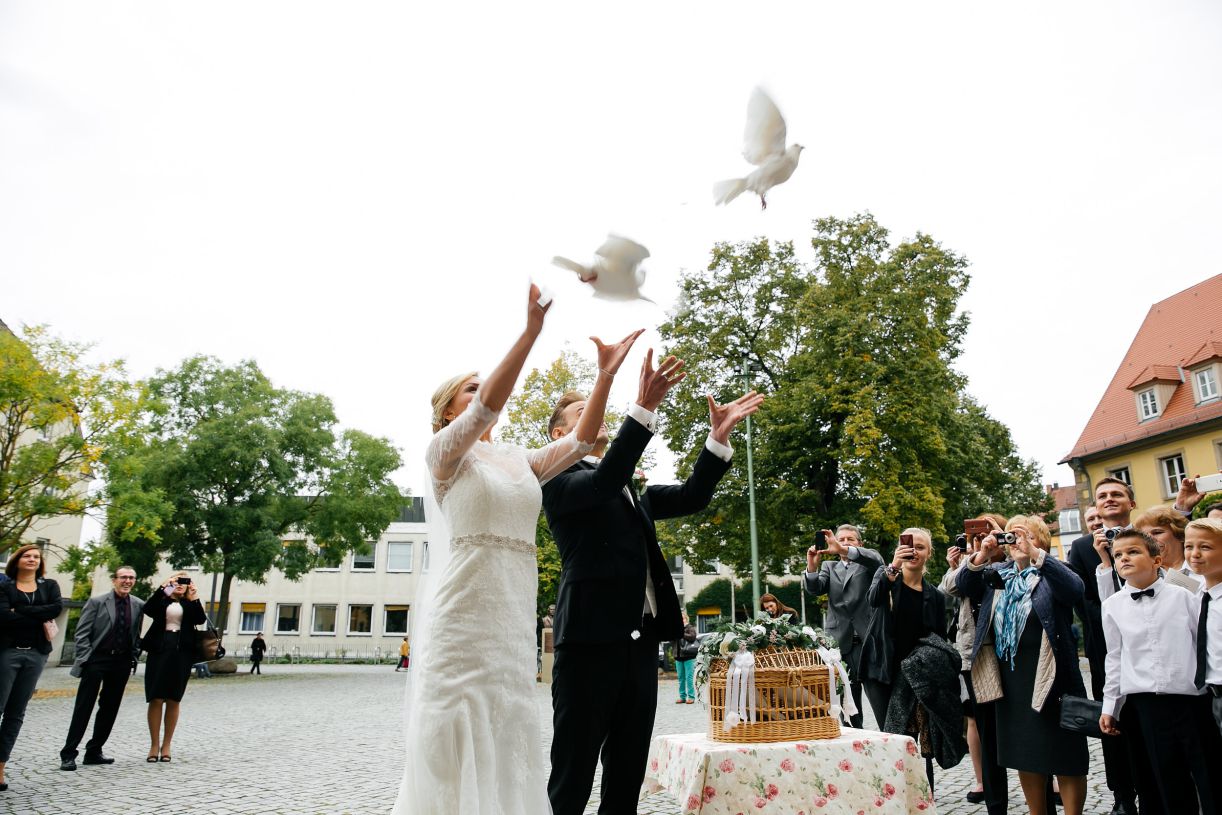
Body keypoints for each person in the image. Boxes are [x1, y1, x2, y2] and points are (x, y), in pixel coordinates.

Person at [393, 284, 640, 815]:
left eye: (480, 386)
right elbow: (488, 407)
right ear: (447, 412)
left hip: (510, 618)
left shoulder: (519, 460)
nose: (482, 393)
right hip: (462, 615)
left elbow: (582, 441)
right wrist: (531, 333)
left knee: (510, 732)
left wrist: (604, 376)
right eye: (470, 389)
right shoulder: (444, 455)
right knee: (456, 729)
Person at [542, 353, 762, 815]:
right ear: (560, 435)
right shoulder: (556, 478)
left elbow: (692, 495)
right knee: (573, 773)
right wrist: (643, 407)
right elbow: (604, 480)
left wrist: (717, 440)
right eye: (583, 411)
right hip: (587, 644)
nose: (597, 414)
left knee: (627, 771)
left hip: (640, 644)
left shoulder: (630, 489)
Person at [958, 515, 1088, 815]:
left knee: (1066, 755)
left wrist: (1035, 555)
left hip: (1051, 675)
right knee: (1025, 754)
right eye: (1012, 535)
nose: (1016, 541)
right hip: (1011, 678)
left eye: (1025, 535)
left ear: (1040, 541)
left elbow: (1075, 590)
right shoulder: (999, 574)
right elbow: (965, 584)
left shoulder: (1054, 572)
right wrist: (983, 553)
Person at [1098, 528, 1222, 813]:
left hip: (1192, 701)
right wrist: (1110, 706)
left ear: (1156, 560)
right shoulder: (1112, 606)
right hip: (1147, 705)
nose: (1124, 558)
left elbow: (1203, 643)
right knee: (1168, 780)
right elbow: (1114, 657)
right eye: (1118, 554)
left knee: (1209, 776)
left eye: (1133, 552)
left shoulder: (1186, 596)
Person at [1066, 476, 1142, 815]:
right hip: (1106, 648)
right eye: (1102, 496)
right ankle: (1122, 795)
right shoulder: (1082, 547)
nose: (1109, 499)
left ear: (1130, 503)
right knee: (1111, 721)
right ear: (1096, 506)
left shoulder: (1146, 535)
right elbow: (1084, 600)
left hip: (1149, 645)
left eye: (1116, 494)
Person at [858, 528, 946, 790]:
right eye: (909, 546)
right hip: (880, 670)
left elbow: (938, 641)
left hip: (915, 675)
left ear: (929, 553)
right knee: (892, 736)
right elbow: (873, 599)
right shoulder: (886, 577)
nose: (914, 551)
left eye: (920, 547)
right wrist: (893, 566)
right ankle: (892, 795)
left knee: (918, 741)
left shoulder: (935, 596)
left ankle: (923, 796)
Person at [939, 513, 1008, 810]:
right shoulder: (972, 561)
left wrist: (1001, 543)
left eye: (989, 531)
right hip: (977, 656)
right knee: (986, 730)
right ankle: (995, 801)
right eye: (977, 533)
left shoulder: (1012, 558)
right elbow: (952, 586)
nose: (983, 537)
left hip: (1010, 651)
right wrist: (974, 556)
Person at [60, 566, 143, 771]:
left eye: (131, 578)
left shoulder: (138, 604)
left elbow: (137, 632)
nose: (127, 581)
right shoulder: (97, 602)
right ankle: (68, 754)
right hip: (97, 659)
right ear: (114, 580)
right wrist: (86, 658)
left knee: (110, 707)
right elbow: (82, 633)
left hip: (122, 662)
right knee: (84, 707)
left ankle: (94, 751)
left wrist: (134, 654)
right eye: (123, 577)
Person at [803, 523, 883, 729]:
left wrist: (843, 549)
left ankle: (889, 738)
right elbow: (815, 589)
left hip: (869, 643)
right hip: (841, 644)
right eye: (841, 539)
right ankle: (855, 743)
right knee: (848, 707)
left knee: (880, 702)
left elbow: (877, 560)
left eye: (850, 539)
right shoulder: (830, 567)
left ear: (860, 544)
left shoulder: (868, 562)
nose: (845, 542)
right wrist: (812, 567)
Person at [0, 544, 63, 790]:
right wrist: (38, 615)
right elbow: (4, 617)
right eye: (27, 555)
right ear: (17, 560)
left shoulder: (50, 586)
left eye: (36, 556)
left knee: (16, 713)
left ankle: (0, 767)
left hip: (37, 654)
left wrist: (20, 610)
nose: (32, 559)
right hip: (7, 652)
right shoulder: (4, 586)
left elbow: (56, 608)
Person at [141, 571, 206, 762]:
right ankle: (154, 745)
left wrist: (194, 598)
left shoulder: (189, 603)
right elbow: (149, 609)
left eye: (184, 582)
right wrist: (165, 588)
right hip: (159, 650)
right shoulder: (163, 601)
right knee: (156, 697)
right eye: (176, 581)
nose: (180, 584)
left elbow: (200, 619)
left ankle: (167, 745)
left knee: (174, 698)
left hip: (182, 653)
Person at [1186, 518, 1222, 737]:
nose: (1195, 554)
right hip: (1213, 694)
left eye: (1205, 547)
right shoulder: (1198, 593)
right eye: (1189, 546)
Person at [672, 625, 699, 704]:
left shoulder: (689, 627)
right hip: (678, 656)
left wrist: (681, 633)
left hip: (688, 657)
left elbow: (693, 637)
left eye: (683, 619)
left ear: (686, 619)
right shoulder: (675, 628)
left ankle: (691, 697)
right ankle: (682, 697)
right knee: (681, 678)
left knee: (689, 678)